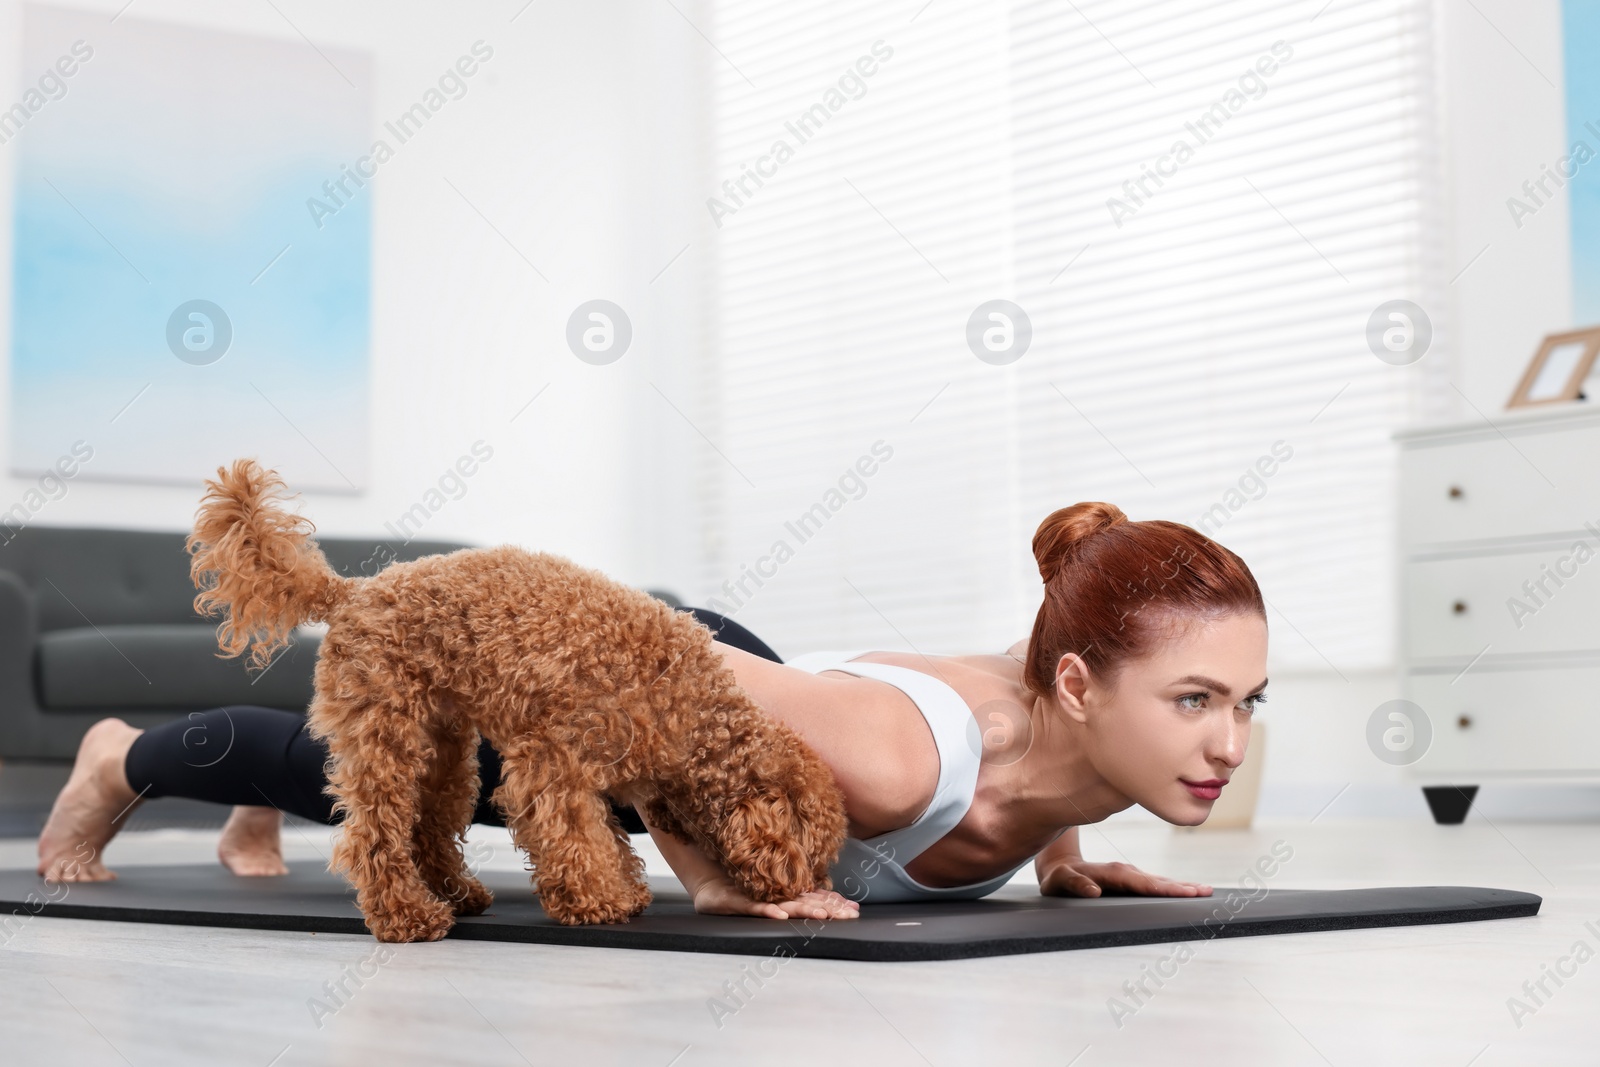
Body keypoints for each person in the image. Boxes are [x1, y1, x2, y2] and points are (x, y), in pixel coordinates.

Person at [37, 501, 1266, 923]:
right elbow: (652, 698)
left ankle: (272, 782)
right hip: (670, 680)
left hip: (773, 703)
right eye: (1198, 700)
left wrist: (1062, 854)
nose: (1227, 742)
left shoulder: (1111, 725)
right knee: (409, 789)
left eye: (1245, 701)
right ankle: (118, 758)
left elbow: (1026, 659)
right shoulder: (894, 763)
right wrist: (714, 881)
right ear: (1079, 687)